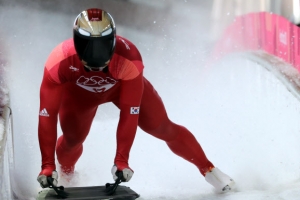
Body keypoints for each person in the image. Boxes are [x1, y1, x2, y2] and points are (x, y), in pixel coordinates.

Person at [37, 8, 235, 192]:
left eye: (102, 48)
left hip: (120, 88)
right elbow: (47, 115)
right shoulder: (58, 62)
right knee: (73, 139)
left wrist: (121, 160)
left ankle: (210, 171)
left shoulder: (129, 58)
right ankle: (67, 175)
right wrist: (47, 165)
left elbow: (130, 113)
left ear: (113, 42)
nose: (96, 57)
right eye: (89, 49)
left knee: (161, 127)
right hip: (79, 96)